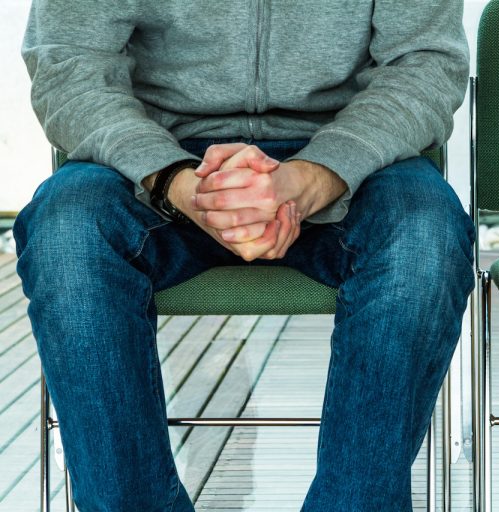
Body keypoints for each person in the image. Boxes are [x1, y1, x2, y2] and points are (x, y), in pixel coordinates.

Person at [13, 1, 474, 510]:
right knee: (66, 230)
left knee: (425, 233)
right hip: (155, 155)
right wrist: (177, 181)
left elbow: (424, 65)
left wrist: (313, 175)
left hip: (350, 152)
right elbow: (68, 68)